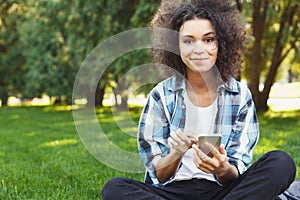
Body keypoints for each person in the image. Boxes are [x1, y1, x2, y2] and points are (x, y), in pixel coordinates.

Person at [102, 0, 296, 199]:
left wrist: (222, 168)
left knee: (281, 163)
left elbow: (235, 172)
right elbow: (159, 175)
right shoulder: (161, 96)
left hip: (225, 192)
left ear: (222, 43)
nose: (199, 49)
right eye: (188, 41)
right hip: (172, 193)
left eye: (208, 39)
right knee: (115, 188)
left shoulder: (240, 96)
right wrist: (176, 152)